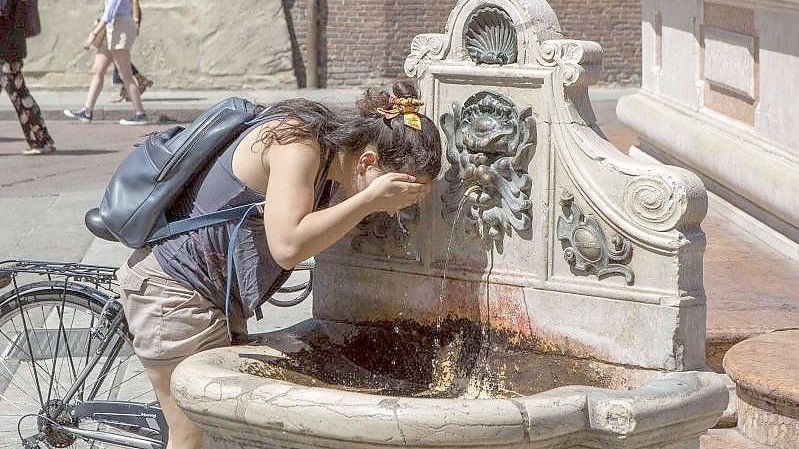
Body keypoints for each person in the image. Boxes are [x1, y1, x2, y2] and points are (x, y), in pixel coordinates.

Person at [115, 81, 441, 449]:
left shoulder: (328, 156)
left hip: (210, 297)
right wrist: (368, 200)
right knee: (194, 435)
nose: (396, 209)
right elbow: (287, 245)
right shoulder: (297, 144)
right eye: (399, 194)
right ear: (367, 162)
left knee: (230, 433)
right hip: (173, 291)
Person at [64, 0, 148, 125]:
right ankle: (87, 111)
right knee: (98, 70)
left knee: (125, 74)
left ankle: (140, 114)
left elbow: (109, 14)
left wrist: (92, 35)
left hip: (120, 27)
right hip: (111, 28)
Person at [0, 0, 56, 155]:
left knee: (19, 96)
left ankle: (41, 140)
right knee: (20, 94)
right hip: (11, 46)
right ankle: (42, 139)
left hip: (6, 50)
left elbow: (4, 13)